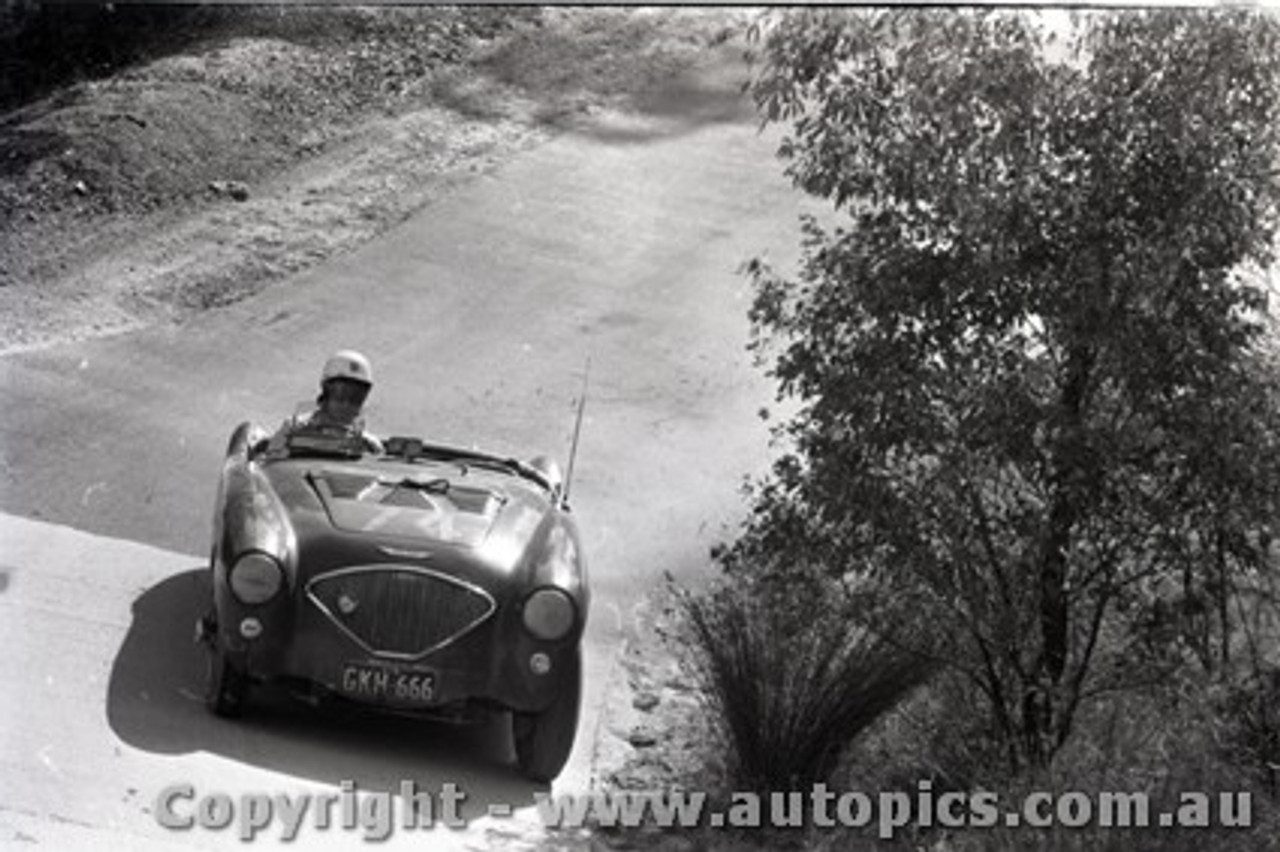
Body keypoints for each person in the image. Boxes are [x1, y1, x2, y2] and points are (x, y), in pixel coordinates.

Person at [266, 350, 384, 456]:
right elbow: (270, 467)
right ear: (326, 391)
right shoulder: (293, 429)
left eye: (356, 397)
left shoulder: (369, 446)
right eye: (341, 394)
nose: (347, 404)